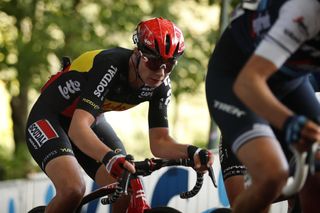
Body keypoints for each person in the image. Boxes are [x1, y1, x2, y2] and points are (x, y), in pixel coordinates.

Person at [25, 17, 213, 213]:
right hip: (50, 118)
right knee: (73, 189)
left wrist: (193, 152)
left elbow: (160, 142)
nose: (162, 72)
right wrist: (109, 158)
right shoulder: (111, 65)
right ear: (138, 54)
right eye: (156, 62)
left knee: (127, 186)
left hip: (89, 121)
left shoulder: (161, 85)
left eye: (170, 64)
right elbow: (78, 127)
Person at [205, 0, 320, 212]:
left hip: (289, 83)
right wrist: (289, 123)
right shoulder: (305, 10)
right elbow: (248, 83)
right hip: (236, 80)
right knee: (272, 175)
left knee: (318, 166)